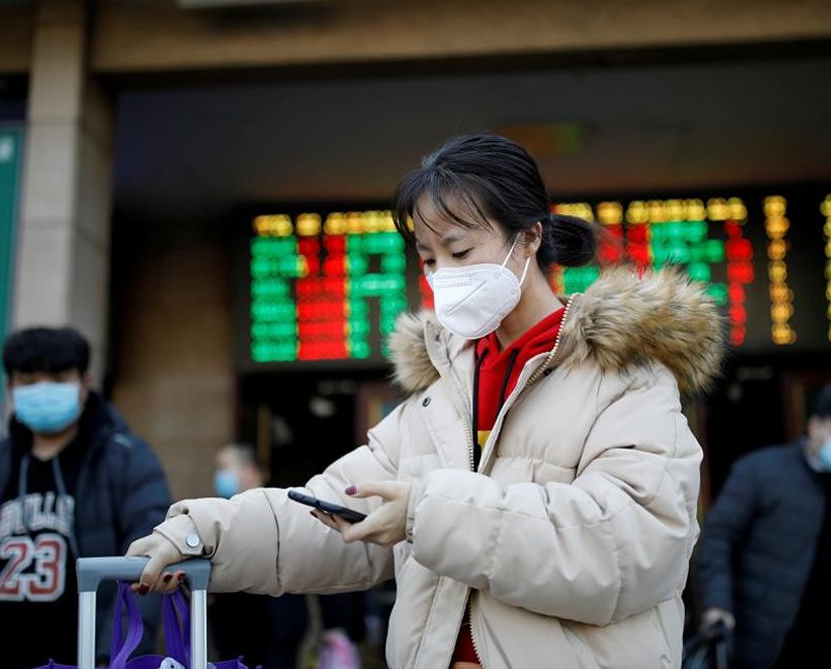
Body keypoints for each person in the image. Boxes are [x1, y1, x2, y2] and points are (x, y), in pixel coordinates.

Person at [127, 133, 724, 669]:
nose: (443, 276)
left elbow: (629, 550)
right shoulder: (441, 395)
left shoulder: (626, 379)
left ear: (529, 237)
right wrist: (204, 534)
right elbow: (334, 509)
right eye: (430, 259)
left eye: (460, 252)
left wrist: (426, 513)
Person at [0, 327, 171, 669]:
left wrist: (115, 657)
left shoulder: (126, 458)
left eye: (59, 378)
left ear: (84, 384)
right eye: (29, 380)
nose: (43, 390)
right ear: (11, 387)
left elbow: (147, 563)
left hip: (79, 657)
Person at [695, 383, 831, 669]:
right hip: (775, 642)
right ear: (815, 426)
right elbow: (718, 539)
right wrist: (718, 605)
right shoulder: (759, 472)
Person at [210, 443, 310, 669]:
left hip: (276, 626)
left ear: (250, 471)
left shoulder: (281, 509)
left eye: (225, 467)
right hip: (233, 629)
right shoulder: (221, 512)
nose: (219, 475)